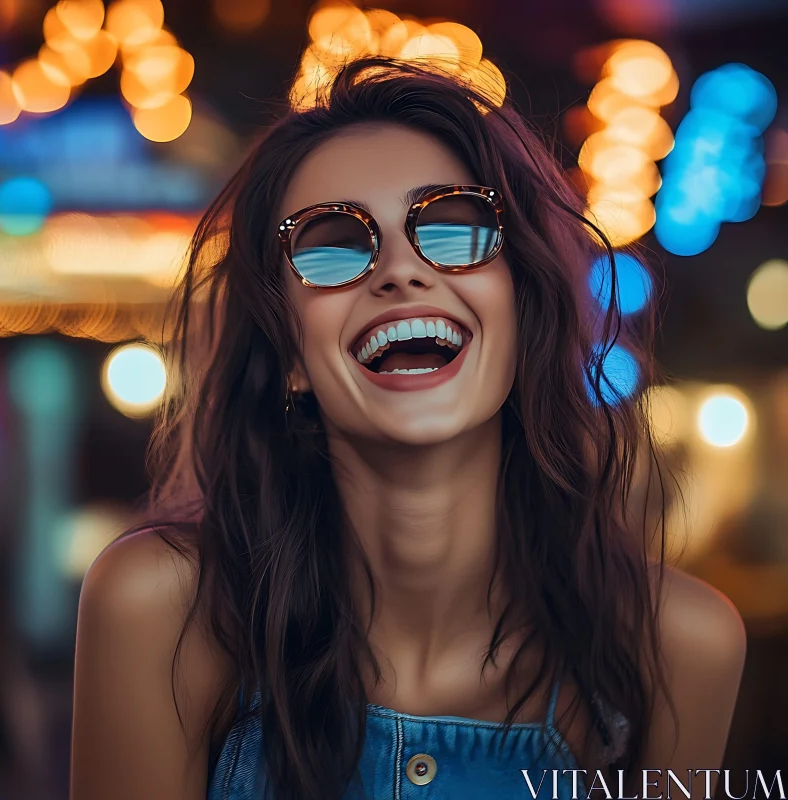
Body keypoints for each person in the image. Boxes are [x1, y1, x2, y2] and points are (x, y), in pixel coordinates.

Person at [70, 56, 746, 800]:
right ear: (289, 352)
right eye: (332, 243)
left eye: (455, 226)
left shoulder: (679, 648)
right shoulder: (160, 612)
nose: (399, 270)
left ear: (525, 313)